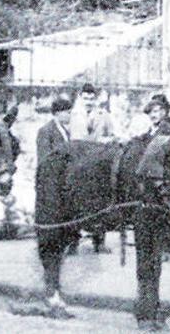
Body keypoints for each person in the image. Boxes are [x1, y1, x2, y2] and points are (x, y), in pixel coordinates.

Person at [35, 96, 75, 308]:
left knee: (59, 244)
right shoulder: (46, 132)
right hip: (49, 193)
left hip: (62, 192)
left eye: (69, 111)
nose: (69, 115)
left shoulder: (65, 132)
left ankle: (54, 288)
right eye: (66, 111)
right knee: (49, 242)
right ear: (57, 113)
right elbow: (46, 163)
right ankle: (51, 290)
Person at [67, 84, 111, 255]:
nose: (89, 102)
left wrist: (104, 140)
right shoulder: (72, 115)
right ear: (80, 97)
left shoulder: (104, 115)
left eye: (92, 99)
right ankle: (73, 242)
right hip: (78, 166)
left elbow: (111, 134)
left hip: (99, 165)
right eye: (85, 98)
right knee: (75, 203)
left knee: (100, 202)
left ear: (96, 99)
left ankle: (99, 242)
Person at [142, 94, 170, 255]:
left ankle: (164, 246)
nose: (153, 115)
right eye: (150, 112)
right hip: (153, 175)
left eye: (157, 111)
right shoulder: (153, 130)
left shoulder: (167, 130)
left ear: (164, 112)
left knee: (162, 211)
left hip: (163, 177)